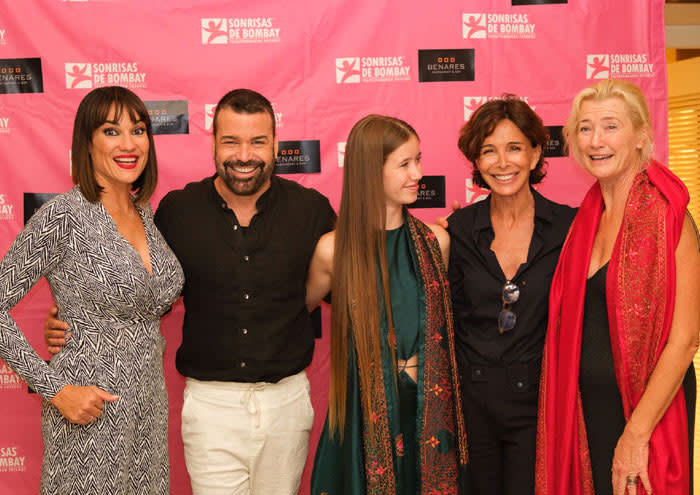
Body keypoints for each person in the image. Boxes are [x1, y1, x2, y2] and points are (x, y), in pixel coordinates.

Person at [46, 88, 336, 494]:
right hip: (210, 407)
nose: (244, 155)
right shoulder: (177, 212)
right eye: (231, 141)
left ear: (275, 143)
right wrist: (74, 319)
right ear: (214, 142)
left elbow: (353, 285)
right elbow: (137, 289)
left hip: (287, 402)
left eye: (257, 141)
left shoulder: (313, 210)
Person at [0, 86, 184, 493]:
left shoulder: (146, 215)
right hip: (88, 413)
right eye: (111, 131)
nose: (128, 144)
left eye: (138, 131)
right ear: (87, 142)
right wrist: (55, 391)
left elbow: (139, 303)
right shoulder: (63, 216)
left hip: (147, 412)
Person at [536, 79, 698, 495]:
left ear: (641, 134)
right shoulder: (584, 221)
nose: (596, 140)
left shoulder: (669, 218)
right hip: (586, 414)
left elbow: (684, 340)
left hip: (644, 417)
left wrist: (635, 436)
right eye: (585, 128)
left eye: (611, 126)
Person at [307, 114, 468, 494]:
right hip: (363, 418)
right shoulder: (333, 251)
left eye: (419, 160)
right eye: (404, 164)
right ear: (369, 172)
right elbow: (298, 310)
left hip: (427, 417)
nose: (418, 174)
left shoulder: (436, 242)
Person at [447, 96, 577, 495]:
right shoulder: (457, 230)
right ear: (477, 162)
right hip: (471, 406)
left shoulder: (570, 228)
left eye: (514, 148)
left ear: (537, 153)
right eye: (489, 151)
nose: (502, 162)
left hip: (542, 405)